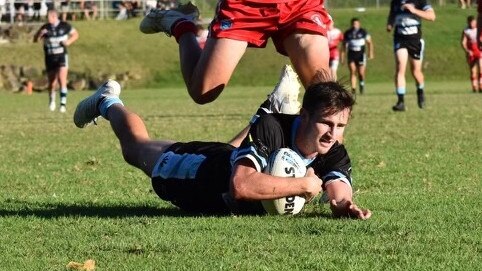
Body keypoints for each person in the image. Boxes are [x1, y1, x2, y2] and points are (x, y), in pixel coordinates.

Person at [73, 67, 372, 219]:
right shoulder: (274, 130)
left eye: (341, 126)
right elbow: (240, 187)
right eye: (326, 123)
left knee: (238, 152)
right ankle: (108, 101)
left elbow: (338, 189)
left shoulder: (334, 149)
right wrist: (303, 186)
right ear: (304, 115)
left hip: (231, 155)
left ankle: (269, 104)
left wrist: (345, 205)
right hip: (199, 173)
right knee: (136, 147)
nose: (333, 133)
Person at [139, 1, 332, 105]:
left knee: (326, 97)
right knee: (203, 92)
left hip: (300, 6)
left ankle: (334, 171)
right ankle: (180, 25)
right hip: (245, 6)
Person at [387, 0, 436, 111]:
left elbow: (432, 16)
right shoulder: (395, 2)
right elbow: (392, 14)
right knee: (400, 67)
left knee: (416, 71)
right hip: (400, 38)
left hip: (415, 40)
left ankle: (420, 91)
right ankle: (401, 102)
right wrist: (390, 24)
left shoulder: (420, 1)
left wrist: (414, 10)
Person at [34, 9, 79, 112]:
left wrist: (68, 41)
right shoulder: (45, 27)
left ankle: (63, 104)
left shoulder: (64, 25)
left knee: (62, 79)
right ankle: (52, 101)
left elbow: (76, 34)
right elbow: (35, 40)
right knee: (52, 83)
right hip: (49, 57)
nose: (47, 19)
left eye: (48, 17)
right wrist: (40, 34)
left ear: (54, 16)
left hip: (61, 56)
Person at [342, 18, 374, 95]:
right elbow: (343, 45)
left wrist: (370, 53)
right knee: (352, 71)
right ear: (351, 24)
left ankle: (361, 84)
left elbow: (369, 42)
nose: (354, 25)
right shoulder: (347, 33)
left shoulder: (363, 32)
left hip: (361, 54)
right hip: (351, 54)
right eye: (353, 24)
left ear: (359, 24)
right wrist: (342, 57)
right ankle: (353, 89)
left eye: (356, 24)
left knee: (361, 73)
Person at [461, 16, 482, 93]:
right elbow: (463, 42)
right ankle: (474, 87)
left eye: (474, 22)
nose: (472, 24)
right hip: (471, 51)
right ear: (468, 22)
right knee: (473, 71)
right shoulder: (466, 31)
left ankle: (481, 85)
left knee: (481, 67)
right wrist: (467, 50)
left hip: (479, 50)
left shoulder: (479, 28)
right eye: (471, 22)